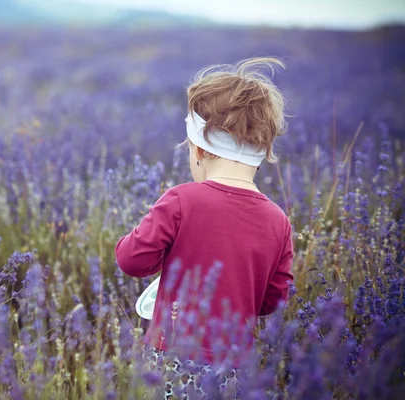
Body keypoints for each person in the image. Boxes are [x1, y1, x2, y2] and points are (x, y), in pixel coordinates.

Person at [115, 57, 295, 399]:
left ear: (198, 149)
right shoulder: (278, 220)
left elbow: (131, 261)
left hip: (172, 356)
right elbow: (274, 299)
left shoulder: (181, 200)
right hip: (236, 366)